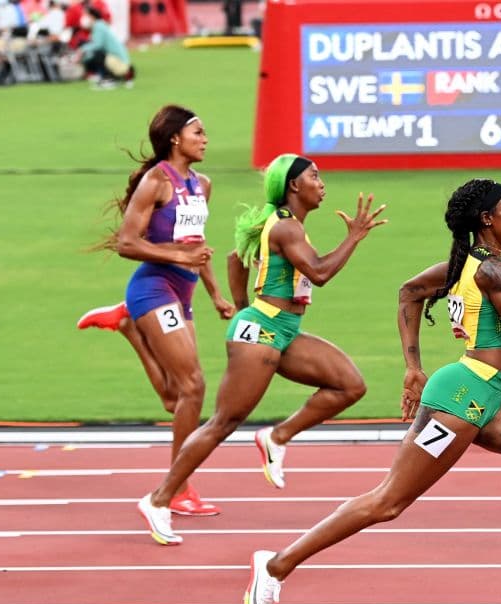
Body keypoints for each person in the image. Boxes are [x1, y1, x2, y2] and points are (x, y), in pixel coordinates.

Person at [243, 178, 501, 604]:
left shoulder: (464, 265)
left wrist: (413, 367)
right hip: (459, 400)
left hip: (485, 396)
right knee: (387, 501)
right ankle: (275, 565)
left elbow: (410, 292)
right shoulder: (493, 272)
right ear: (487, 219)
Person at [135, 153, 388, 546]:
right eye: (314, 177)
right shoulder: (286, 228)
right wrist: (353, 237)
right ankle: (159, 499)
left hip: (282, 329)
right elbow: (319, 273)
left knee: (349, 385)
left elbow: (236, 259)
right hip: (263, 331)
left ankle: (277, 437)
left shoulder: (286, 225)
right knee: (223, 423)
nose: (322, 184)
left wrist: (241, 307)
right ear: (294, 186)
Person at [77, 104, 235, 517]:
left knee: (176, 397)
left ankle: (129, 327)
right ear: (175, 139)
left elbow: (197, 245)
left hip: (182, 293)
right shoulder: (155, 182)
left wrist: (216, 294)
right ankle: (177, 489)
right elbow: (126, 243)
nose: (205, 139)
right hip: (153, 288)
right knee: (194, 386)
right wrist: (177, 256)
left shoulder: (202, 184)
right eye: (198, 133)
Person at [76, 4, 130, 88]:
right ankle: (103, 76)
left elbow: (98, 45)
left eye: (85, 15)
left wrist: (81, 50)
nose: (83, 18)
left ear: (91, 16)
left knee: (97, 54)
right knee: (92, 54)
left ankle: (109, 78)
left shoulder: (98, 26)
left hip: (118, 61)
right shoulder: (99, 25)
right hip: (117, 59)